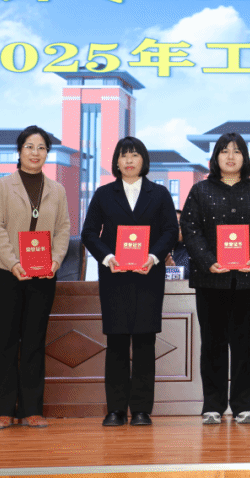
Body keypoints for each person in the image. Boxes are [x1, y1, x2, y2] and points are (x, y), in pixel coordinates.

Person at [181, 133, 250, 425]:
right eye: (224, 151)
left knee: (245, 345)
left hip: (249, 280)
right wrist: (207, 261)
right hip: (211, 280)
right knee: (212, 344)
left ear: (245, 158)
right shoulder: (200, 191)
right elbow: (190, 229)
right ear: (215, 157)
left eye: (237, 151)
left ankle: (242, 404)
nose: (231, 156)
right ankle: (212, 405)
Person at [81, 137, 179, 427]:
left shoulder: (159, 193)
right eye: (123, 155)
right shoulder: (104, 194)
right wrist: (107, 257)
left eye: (134, 155)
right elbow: (89, 233)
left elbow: (170, 230)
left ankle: (141, 410)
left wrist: (153, 256)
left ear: (143, 160)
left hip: (149, 276)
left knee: (145, 343)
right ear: (116, 162)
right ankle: (115, 409)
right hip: (115, 277)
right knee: (117, 343)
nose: (129, 160)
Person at [0, 126, 71, 429]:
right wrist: (13, 262)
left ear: (47, 153)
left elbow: (63, 228)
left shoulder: (57, 190)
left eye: (41, 148)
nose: (35, 153)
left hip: (44, 274)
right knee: (6, 340)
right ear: (19, 150)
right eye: (29, 146)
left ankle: (32, 408)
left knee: (34, 340)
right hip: (7, 273)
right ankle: (3, 410)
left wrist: (56, 260)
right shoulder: (2, 186)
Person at [166, 209, 191, 275]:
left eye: (179, 225)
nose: (177, 229)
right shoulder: (153, 251)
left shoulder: (192, 252)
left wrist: (171, 269)